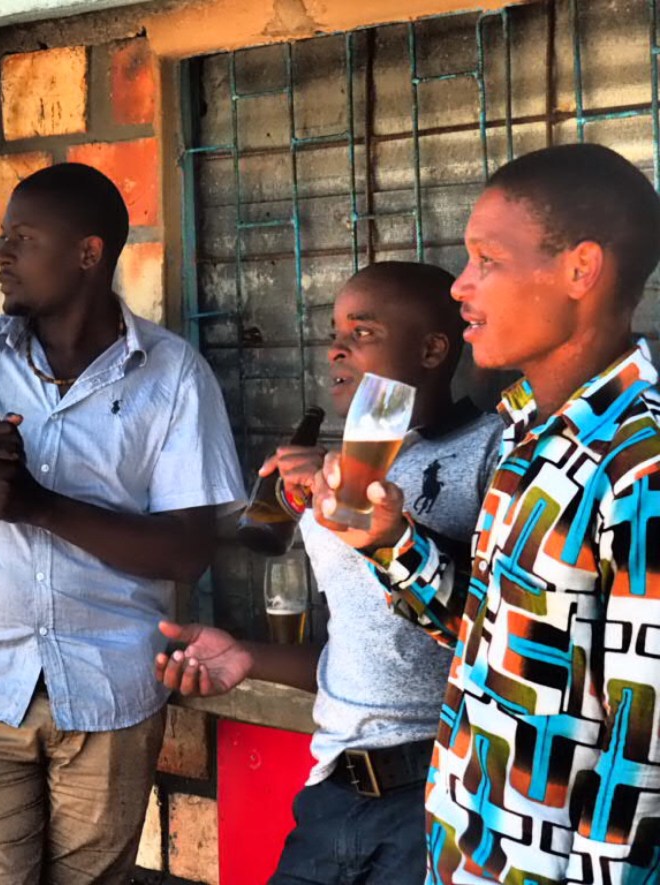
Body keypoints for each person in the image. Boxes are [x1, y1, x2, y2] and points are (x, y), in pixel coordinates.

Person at [311, 143, 660, 883]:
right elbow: (496, 636)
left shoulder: (643, 464)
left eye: (486, 261)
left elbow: (644, 760)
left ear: (579, 269)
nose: (462, 287)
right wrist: (392, 541)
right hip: (462, 854)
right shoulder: (528, 434)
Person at [0, 163, 244, 884]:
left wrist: (38, 505)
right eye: (4, 237)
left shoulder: (174, 375)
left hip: (110, 691)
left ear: (87, 254)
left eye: (23, 238)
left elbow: (186, 553)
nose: (2, 257)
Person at [157, 262, 503, 884]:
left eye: (362, 331)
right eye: (334, 332)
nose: (337, 348)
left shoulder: (491, 452)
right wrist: (247, 658)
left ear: (431, 349)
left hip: (436, 796)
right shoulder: (337, 468)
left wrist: (384, 525)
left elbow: (492, 623)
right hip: (331, 790)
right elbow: (367, 648)